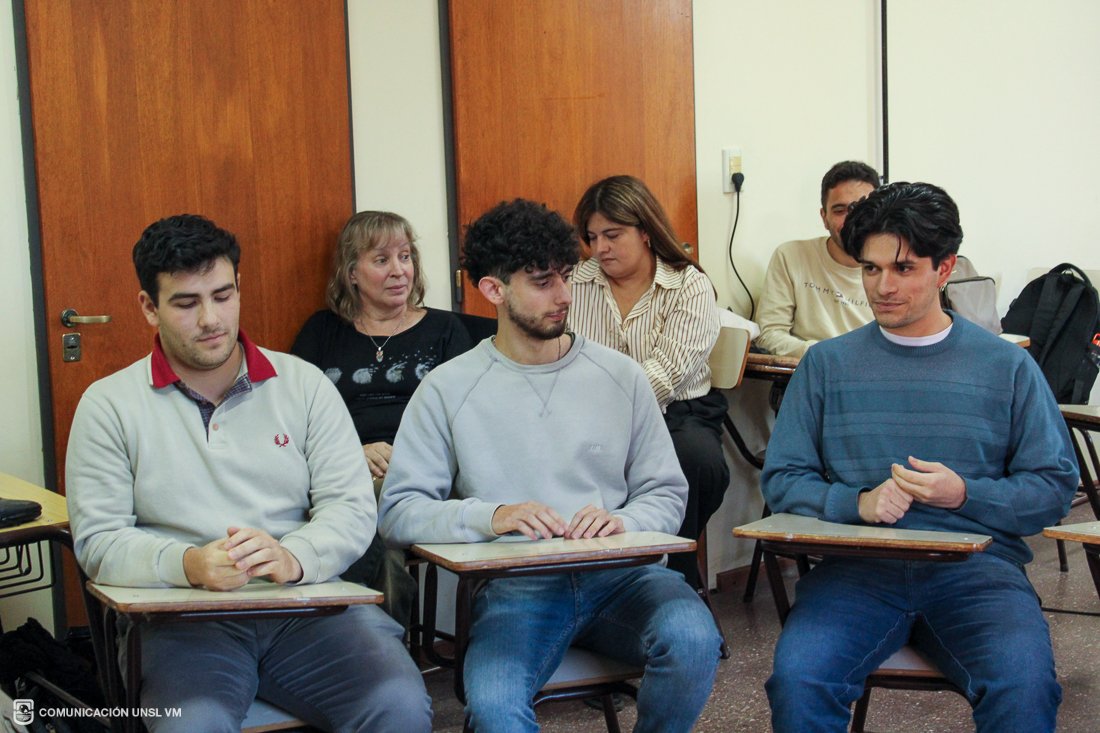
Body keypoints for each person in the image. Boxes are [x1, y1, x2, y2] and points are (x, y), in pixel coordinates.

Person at [65, 215, 431, 733]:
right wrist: (189, 564)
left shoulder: (303, 385)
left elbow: (351, 508)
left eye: (222, 295)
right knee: (191, 725)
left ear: (239, 287)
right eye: (186, 304)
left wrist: (293, 556)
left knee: (399, 707)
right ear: (149, 307)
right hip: (180, 620)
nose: (211, 319)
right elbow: (99, 543)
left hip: (307, 606)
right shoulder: (108, 405)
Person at [379, 199, 721, 733]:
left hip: (623, 578)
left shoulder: (621, 376)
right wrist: (492, 516)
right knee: (494, 709)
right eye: (542, 282)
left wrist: (624, 521)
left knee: (697, 641)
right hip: (517, 589)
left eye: (565, 276)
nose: (564, 295)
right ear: (493, 290)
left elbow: (666, 492)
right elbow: (398, 512)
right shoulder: (448, 388)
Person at [761, 183, 1078, 733]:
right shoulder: (826, 365)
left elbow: (1052, 488)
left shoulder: (1006, 366)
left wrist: (965, 494)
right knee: (799, 680)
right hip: (856, 572)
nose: (883, 287)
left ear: (945, 268)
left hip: (977, 572)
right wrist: (857, 503)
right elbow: (783, 479)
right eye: (870, 269)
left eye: (904, 268)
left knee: (1025, 687)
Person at [291, 211, 471, 624]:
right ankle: (385, 639)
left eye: (405, 257)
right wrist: (354, 453)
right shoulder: (322, 331)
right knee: (378, 533)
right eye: (381, 260)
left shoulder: (444, 330)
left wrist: (407, 458)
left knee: (372, 509)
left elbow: (465, 420)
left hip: (422, 472)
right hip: (341, 469)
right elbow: (292, 417)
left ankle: (362, 637)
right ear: (352, 273)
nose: (398, 270)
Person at [569, 175, 726, 587]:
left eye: (612, 235)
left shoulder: (688, 284)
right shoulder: (574, 282)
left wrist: (611, 418)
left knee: (697, 462)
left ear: (645, 231)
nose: (600, 248)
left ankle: (671, 575)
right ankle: (594, 575)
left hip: (678, 413)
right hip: (586, 410)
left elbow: (668, 372)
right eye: (592, 237)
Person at [755, 160, 880, 357]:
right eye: (840, 211)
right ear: (824, 217)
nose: (851, 220)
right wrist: (823, 355)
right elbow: (769, 334)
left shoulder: (896, 268)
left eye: (860, 210)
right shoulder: (790, 256)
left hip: (871, 369)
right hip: (809, 368)